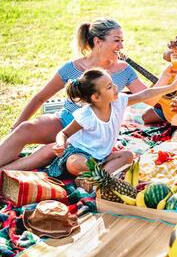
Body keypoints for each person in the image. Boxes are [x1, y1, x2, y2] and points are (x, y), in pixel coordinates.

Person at [0, 18, 154, 171]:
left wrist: (169, 77)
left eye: (122, 41)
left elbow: (150, 98)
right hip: (66, 121)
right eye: (116, 40)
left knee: (49, 151)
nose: (121, 46)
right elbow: (40, 97)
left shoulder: (124, 70)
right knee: (25, 128)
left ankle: (4, 174)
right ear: (98, 41)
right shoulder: (72, 67)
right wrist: (15, 127)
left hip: (93, 134)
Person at [48, 67, 177, 177]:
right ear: (96, 97)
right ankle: (102, 177)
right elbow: (64, 134)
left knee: (128, 155)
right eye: (110, 86)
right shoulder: (86, 115)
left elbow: (144, 95)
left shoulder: (119, 102)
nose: (116, 87)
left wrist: (170, 87)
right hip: (81, 155)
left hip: (102, 158)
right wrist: (60, 144)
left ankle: (96, 180)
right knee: (74, 162)